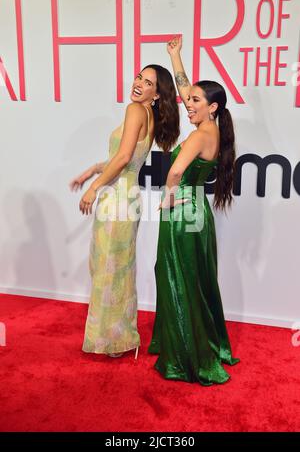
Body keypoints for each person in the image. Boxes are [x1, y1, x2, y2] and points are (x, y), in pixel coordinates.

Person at [70, 65, 179, 358]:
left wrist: (94, 188)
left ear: (157, 94)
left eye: (149, 83)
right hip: (129, 199)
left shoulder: (135, 110)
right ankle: (119, 338)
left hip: (117, 198)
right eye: (139, 77)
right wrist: (93, 170)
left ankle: (110, 340)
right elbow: (126, 161)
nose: (139, 84)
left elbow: (124, 157)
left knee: (108, 270)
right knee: (118, 269)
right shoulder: (150, 117)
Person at [148, 37, 239, 385]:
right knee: (195, 279)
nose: (188, 103)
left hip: (182, 212)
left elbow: (173, 172)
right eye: (190, 99)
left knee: (176, 277)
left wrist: (169, 198)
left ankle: (187, 354)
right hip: (198, 212)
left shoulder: (200, 135)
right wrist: (175, 57)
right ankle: (204, 341)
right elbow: (186, 90)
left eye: (195, 101)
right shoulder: (210, 128)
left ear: (212, 107)